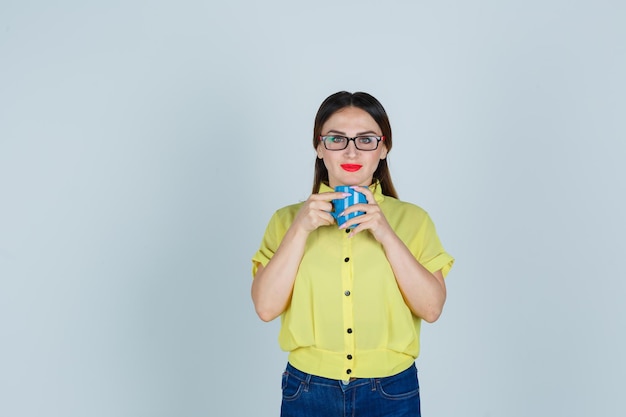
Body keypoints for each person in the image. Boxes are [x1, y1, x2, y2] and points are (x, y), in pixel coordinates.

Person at [251, 91, 454, 417]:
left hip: (391, 390)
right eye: (336, 138)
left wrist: (385, 233)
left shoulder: (414, 220)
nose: (350, 150)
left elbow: (431, 309)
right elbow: (265, 307)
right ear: (319, 147)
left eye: (366, 139)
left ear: (383, 148)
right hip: (307, 389)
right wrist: (300, 229)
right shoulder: (286, 220)